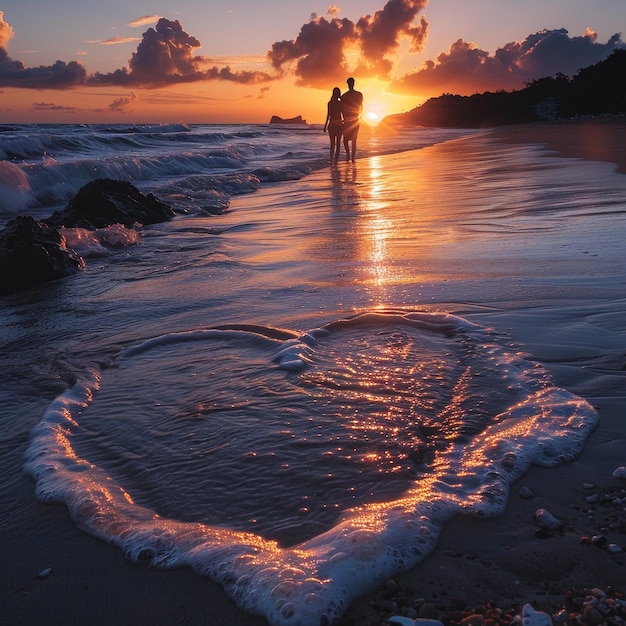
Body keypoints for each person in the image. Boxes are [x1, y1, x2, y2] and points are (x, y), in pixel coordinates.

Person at [341, 77, 363, 161]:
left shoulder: (345, 95)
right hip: (353, 119)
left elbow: (361, 106)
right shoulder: (358, 94)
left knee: (350, 139)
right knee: (349, 140)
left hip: (351, 119)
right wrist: (360, 115)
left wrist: (360, 115)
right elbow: (361, 106)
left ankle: (350, 156)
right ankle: (350, 156)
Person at [323, 87, 344, 162]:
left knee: (332, 144)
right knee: (338, 144)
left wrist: (325, 126)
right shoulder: (340, 103)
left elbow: (328, 115)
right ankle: (335, 160)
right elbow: (342, 114)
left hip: (331, 125)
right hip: (339, 125)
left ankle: (331, 159)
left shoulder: (330, 103)